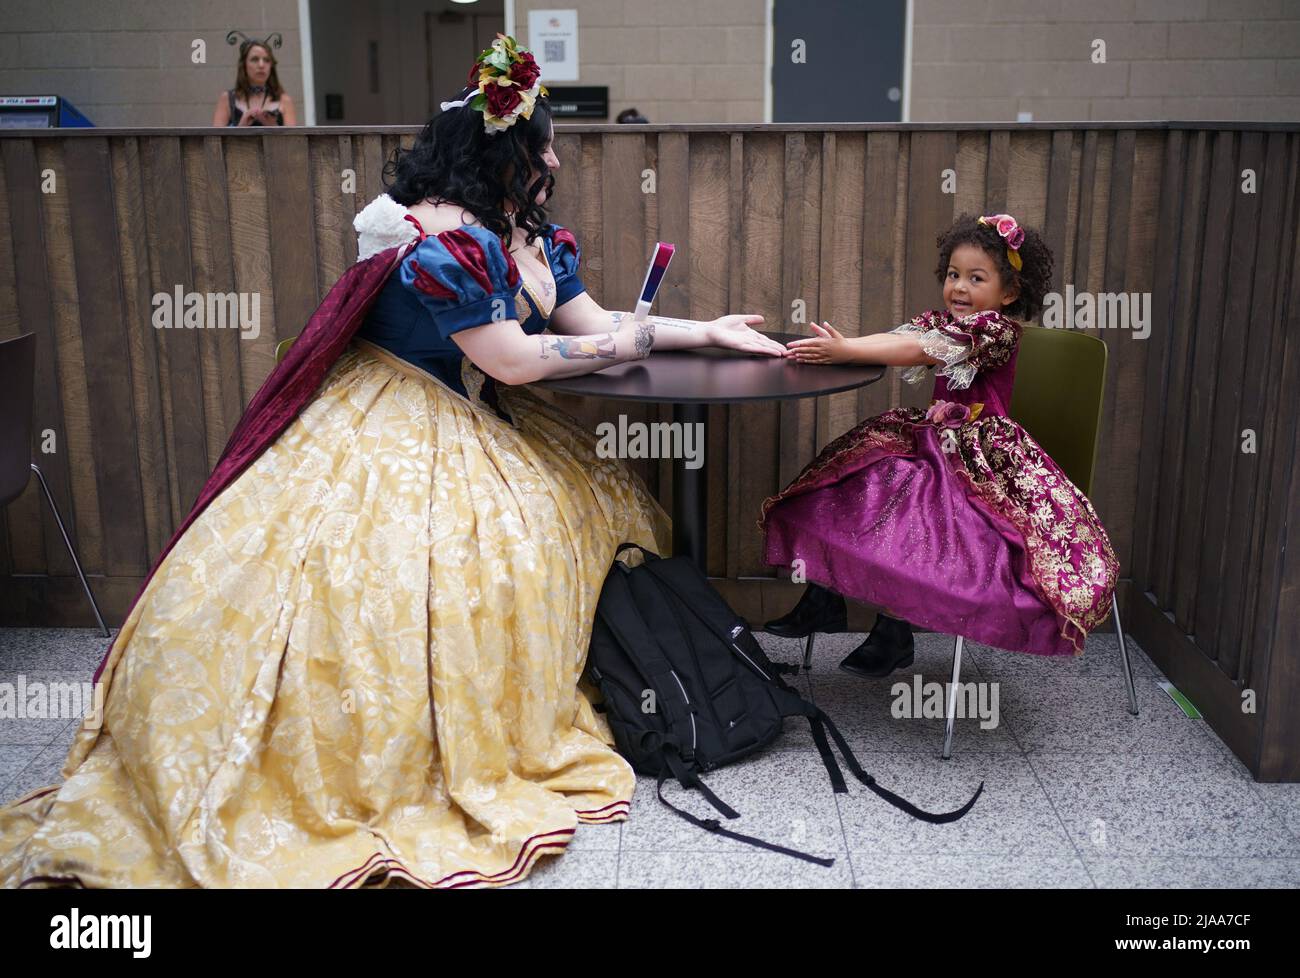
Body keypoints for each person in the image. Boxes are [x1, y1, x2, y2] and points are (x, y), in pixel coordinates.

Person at [0, 34, 782, 889]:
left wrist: (700, 330)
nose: (555, 158)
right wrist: (624, 343)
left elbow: (591, 326)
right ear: (500, 155)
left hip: (469, 410)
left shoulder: (527, 235)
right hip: (395, 412)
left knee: (551, 527)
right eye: (541, 145)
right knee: (384, 574)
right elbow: (516, 362)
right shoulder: (444, 240)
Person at [761, 213, 1118, 675]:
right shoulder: (944, 320)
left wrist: (848, 351)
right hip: (930, 438)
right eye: (953, 275)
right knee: (851, 484)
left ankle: (893, 631)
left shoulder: (993, 331)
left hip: (980, 455)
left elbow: (923, 350)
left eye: (976, 278)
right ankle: (824, 598)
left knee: (923, 519)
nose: (960, 288)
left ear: (1008, 293)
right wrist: (848, 344)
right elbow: (901, 338)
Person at [212, 33, 296, 127]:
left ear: (271, 66)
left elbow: (293, 141)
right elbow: (215, 140)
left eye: (267, 60)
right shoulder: (227, 99)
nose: (261, 65)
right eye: (255, 59)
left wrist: (273, 127)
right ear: (244, 65)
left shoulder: (284, 100)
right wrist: (240, 128)